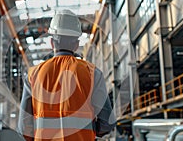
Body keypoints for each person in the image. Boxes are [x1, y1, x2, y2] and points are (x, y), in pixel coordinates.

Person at [18, 9, 115, 141]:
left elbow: (24, 127)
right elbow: (107, 122)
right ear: (76, 44)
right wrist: (92, 130)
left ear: (52, 43)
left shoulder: (33, 75)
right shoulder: (92, 73)